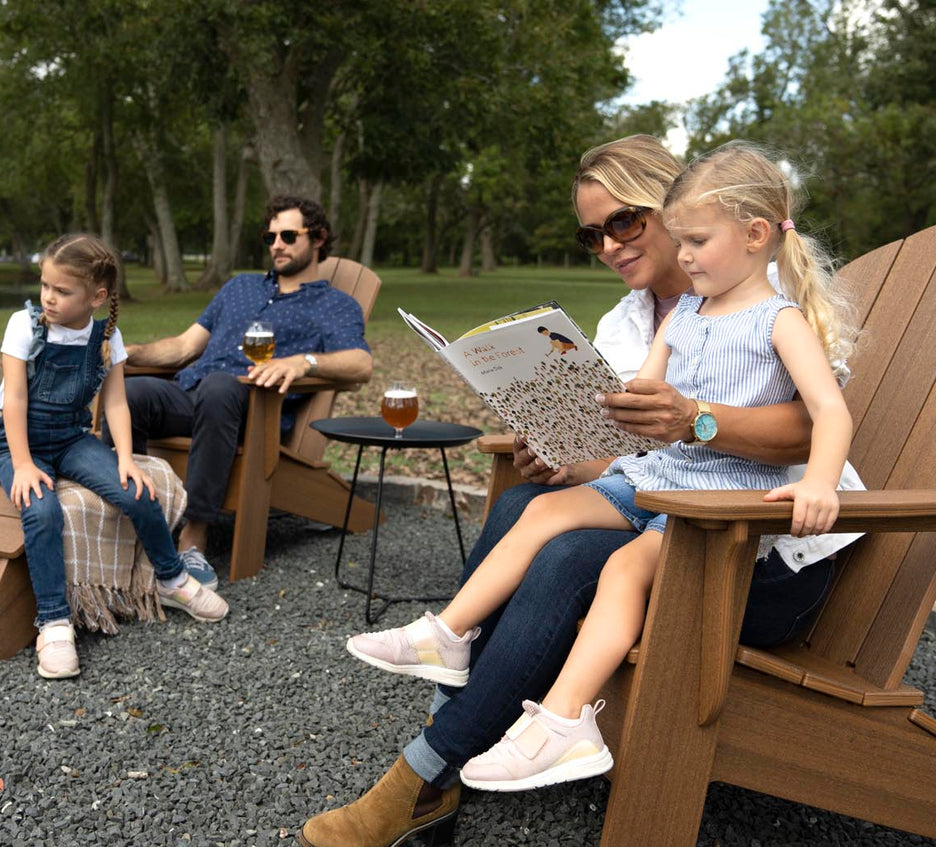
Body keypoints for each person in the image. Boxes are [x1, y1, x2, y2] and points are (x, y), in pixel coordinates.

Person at [296, 135, 864, 846]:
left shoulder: (774, 303)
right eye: (592, 234)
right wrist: (568, 457)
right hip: (669, 503)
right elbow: (638, 453)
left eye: (625, 222)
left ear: (674, 205)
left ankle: (429, 769)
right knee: (523, 505)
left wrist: (696, 418)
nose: (610, 245)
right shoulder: (630, 325)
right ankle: (454, 697)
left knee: (567, 559)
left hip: (766, 548)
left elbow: (807, 431)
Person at [0, 234, 228, 680]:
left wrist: (124, 458)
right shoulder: (24, 326)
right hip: (18, 439)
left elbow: (116, 403)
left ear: (96, 297)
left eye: (62, 291)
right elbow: (15, 400)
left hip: (70, 437)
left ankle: (171, 578)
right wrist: (21, 464)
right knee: (41, 511)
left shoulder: (106, 336)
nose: (48, 297)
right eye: (45, 285)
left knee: (137, 491)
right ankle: (54, 621)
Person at [113, 196, 373, 589]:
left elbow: (360, 363)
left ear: (318, 238)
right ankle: (120, 524)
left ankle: (193, 540)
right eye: (270, 236)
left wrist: (304, 362)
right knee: (130, 394)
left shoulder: (334, 304)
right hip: (193, 396)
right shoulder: (240, 287)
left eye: (288, 235)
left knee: (220, 387)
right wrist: (129, 353)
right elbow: (185, 347)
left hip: (253, 413)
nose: (276, 245)